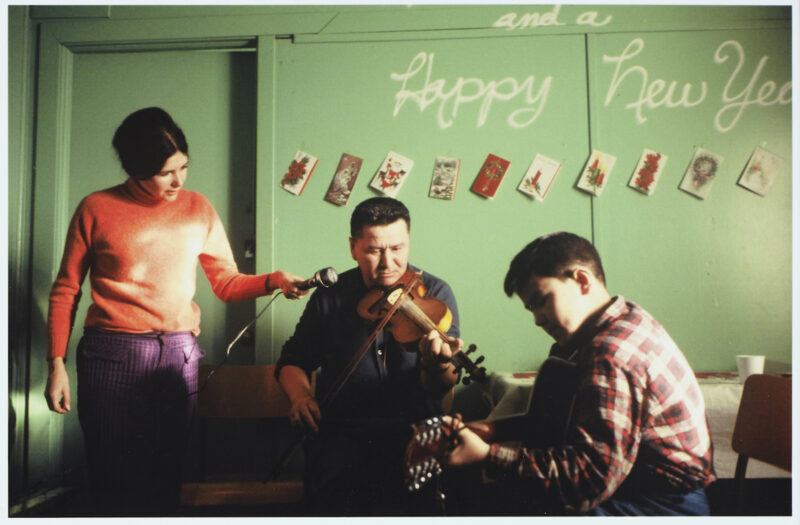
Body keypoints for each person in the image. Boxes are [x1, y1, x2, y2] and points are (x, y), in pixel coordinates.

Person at [43, 107, 308, 515]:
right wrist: (56, 363)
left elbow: (226, 283)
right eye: (166, 173)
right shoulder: (95, 208)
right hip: (111, 353)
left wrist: (273, 279)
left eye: (183, 166)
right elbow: (66, 289)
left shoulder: (197, 208)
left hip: (179, 354)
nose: (179, 180)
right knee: (112, 476)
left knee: (167, 477)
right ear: (135, 169)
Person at [421, 231, 715, 516]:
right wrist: (492, 430)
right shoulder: (620, 316)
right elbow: (560, 422)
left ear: (582, 280)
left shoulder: (611, 353)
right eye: (530, 309)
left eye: (542, 300)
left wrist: (487, 455)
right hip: (634, 485)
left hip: (664, 504)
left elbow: (588, 481)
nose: (537, 320)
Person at [275, 196, 461, 515]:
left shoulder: (435, 294)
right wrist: (301, 397)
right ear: (354, 248)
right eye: (375, 250)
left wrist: (437, 363)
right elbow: (293, 360)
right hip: (342, 431)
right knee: (333, 491)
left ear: (408, 242)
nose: (388, 263)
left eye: (398, 248)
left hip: (412, 429)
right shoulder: (330, 297)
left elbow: (440, 386)